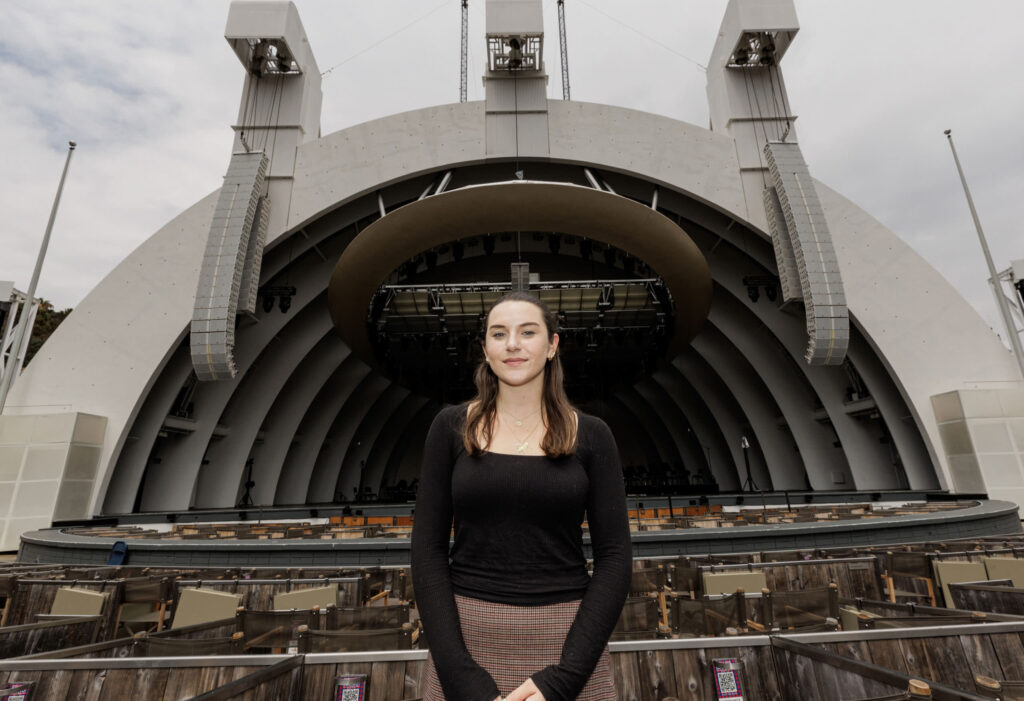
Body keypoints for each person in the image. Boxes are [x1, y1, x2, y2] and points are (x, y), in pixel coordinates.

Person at [411, 291, 632, 701]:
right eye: (499, 334)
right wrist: (462, 678)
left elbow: (616, 558)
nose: (512, 343)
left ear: (552, 346)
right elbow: (426, 551)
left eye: (527, 332)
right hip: (465, 640)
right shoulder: (449, 428)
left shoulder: (593, 435)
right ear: (486, 350)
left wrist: (564, 679)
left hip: (569, 644)